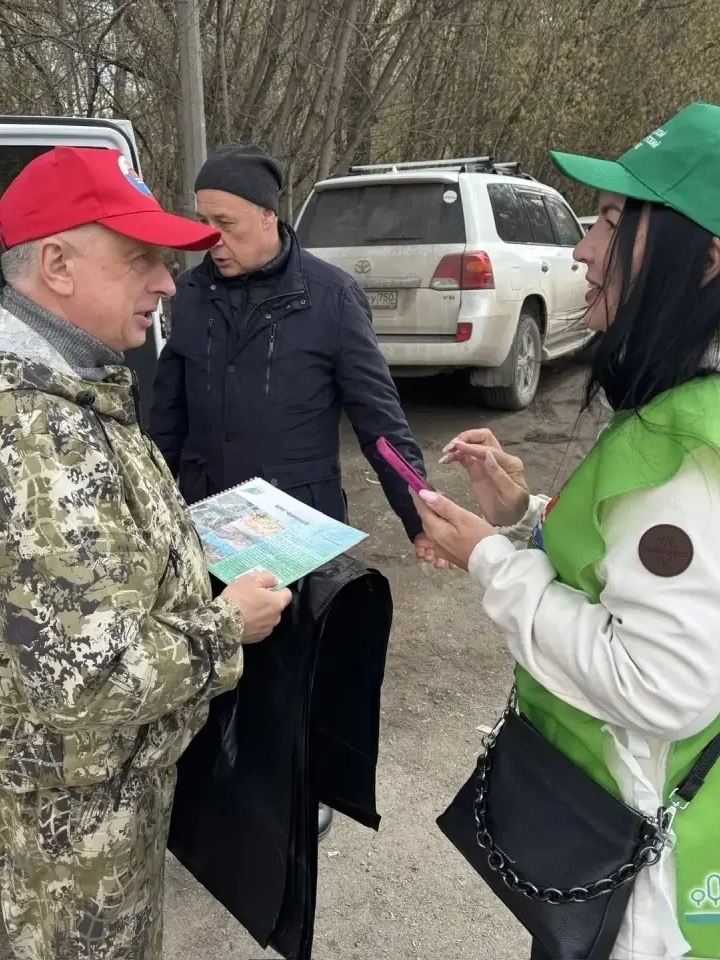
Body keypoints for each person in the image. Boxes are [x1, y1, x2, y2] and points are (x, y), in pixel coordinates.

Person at [413, 103, 720, 960]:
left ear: (706, 260)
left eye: (613, 221)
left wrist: (492, 562)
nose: (583, 248)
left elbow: (660, 682)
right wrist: (525, 519)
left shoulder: (699, 450)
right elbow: (675, 579)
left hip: (657, 893)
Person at [0, 145, 292, 960]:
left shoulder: (63, 390)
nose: (167, 283)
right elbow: (91, 678)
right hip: (77, 804)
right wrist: (227, 625)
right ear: (57, 265)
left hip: (92, 783)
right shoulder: (26, 432)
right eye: (141, 258)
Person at [149, 143, 443, 841]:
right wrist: (151, 506)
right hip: (205, 513)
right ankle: (221, 783)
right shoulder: (192, 296)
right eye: (202, 222)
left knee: (294, 666)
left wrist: (421, 513)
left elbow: (379, 420)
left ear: (267, 216)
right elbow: (166, 417)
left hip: (296, 524)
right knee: (216, 656)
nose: (211, 239)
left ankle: (300, 786)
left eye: (225, 223)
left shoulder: (330, 296)